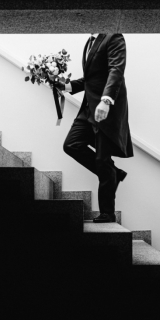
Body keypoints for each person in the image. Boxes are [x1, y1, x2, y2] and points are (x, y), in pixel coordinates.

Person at [52, 33, 133, 223]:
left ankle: (108, 212)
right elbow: (91, 79)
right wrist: (67, 86)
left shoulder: (114, 36)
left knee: (102, 159)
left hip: (106, 107)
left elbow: (116, 70)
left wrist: (106, 100)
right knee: (71, 145)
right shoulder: (90, 41)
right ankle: (114, 173)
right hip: (88, 108)